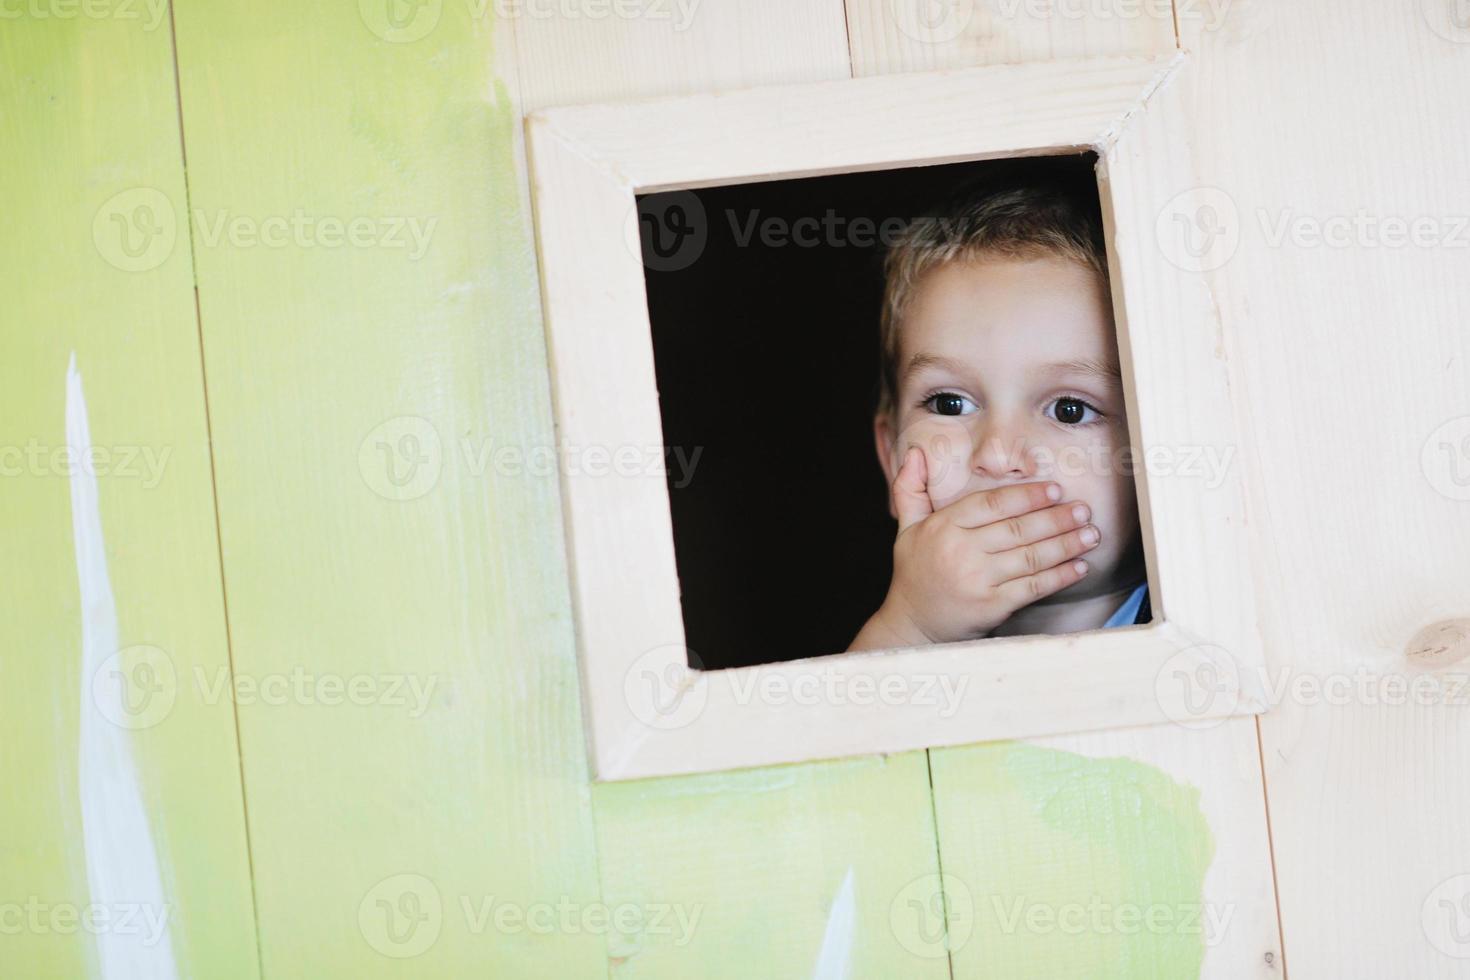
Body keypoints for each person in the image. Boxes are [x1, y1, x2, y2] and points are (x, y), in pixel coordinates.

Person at [847, 181, 1150, 652]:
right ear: (892, 460)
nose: (998, 455)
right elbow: (844, 726)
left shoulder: (1213, 623)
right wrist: (913, 628)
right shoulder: (906, 637)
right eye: (951, 404)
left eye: (1069, 410)